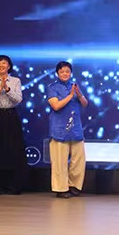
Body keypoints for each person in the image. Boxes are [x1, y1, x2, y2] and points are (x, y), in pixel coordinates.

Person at [0, 55, 28, 195]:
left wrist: (7, 89)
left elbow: (18, 99)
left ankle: (13, 185)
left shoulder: (16, 81)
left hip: (11, 116)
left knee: (13, 149)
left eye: (4, 63)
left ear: (9, 66)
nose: (1, 65)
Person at [47, 61, 89, 198]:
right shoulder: (52, 87)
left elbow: (85, 104)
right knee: (59, 161)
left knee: (78, 160)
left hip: (75, 128)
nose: (65, 74)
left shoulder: (74, 86)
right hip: (59, 128)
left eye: (67, 71)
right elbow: (56, 106)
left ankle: (74, 186)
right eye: (62, 71)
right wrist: (70, 96)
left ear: (70, 73)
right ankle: (61, 188)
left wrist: (79, 94)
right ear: (57, 73)